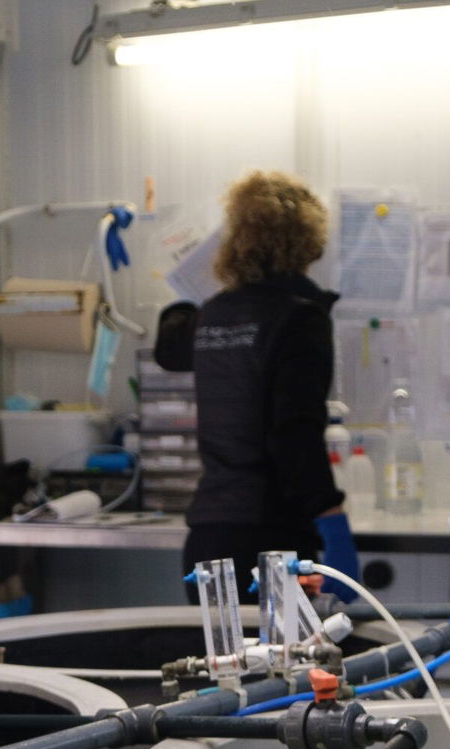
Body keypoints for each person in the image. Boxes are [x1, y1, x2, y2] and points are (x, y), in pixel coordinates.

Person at [163, 170, 359, 602]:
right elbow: (294, 433)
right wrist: (333, 522)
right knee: (284, 651)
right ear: (307, 241)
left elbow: (167, 348)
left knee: (221, 650)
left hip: (208, 541)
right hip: (271, 542)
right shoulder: (299, 318)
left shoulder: (212, 314)